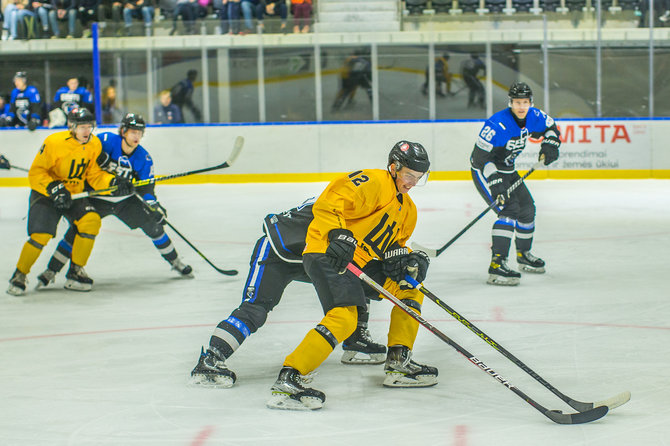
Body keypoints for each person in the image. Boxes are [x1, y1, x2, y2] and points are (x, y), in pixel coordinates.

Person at [263, 141, 435, 410]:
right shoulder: (374, 181)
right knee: (344, 317)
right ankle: (289, 379)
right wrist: (336, 233)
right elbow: (329, 202)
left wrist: (409, 261)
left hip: (361, 262)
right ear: (394, 167)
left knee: (409, 288)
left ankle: (398, 362)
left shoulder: (408, 210)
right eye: (409, 175)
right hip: (328, 253)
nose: (412, 182)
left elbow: (395, 248)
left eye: (418, 178)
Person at [189, 196, 388, 388]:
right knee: (255, 308)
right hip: (278, 251)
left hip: (313, 254)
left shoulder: (364, 209)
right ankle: (211, 359)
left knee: (353, 277)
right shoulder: (343, 204)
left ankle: (355, 338)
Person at [36, 113, 193, 289]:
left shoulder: (144, 158)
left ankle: (176, 262)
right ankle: (51, 271)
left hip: (125, 201)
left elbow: (147, 190)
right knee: (77, 231)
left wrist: (154, 206)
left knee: (154, 226)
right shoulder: (105, 140)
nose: (136, 136)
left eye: (139, 133)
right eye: (133, 131)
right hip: (98, 198)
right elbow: (83, 152)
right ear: (123, 131)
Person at [6, 108, 134, 296]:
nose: (86, 131)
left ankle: (75, 272)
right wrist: (53, 187)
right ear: (71, 127)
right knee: (40, 235)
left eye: (89, 127)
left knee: (91, 221)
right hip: (47, 195)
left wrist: (112, 181)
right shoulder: (53, 142)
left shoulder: (94, 144)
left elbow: (94, 174)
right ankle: (20, 274)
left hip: (75, 194)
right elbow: (36, 173)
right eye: (82, 127)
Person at [469, 81, 560, 286]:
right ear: (510, 102)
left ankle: (523, 254)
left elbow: (550, 127)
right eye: (517, 102)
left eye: (525, 102)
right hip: (485, 170)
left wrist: (550, 143)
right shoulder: (497, 124)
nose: (521, 106)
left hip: (508, 169)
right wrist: (495, 182)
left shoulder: (534, 116)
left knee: (527, 209)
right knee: (509, 209)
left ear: (530, 103)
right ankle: (497, 264)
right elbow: (479, 159)